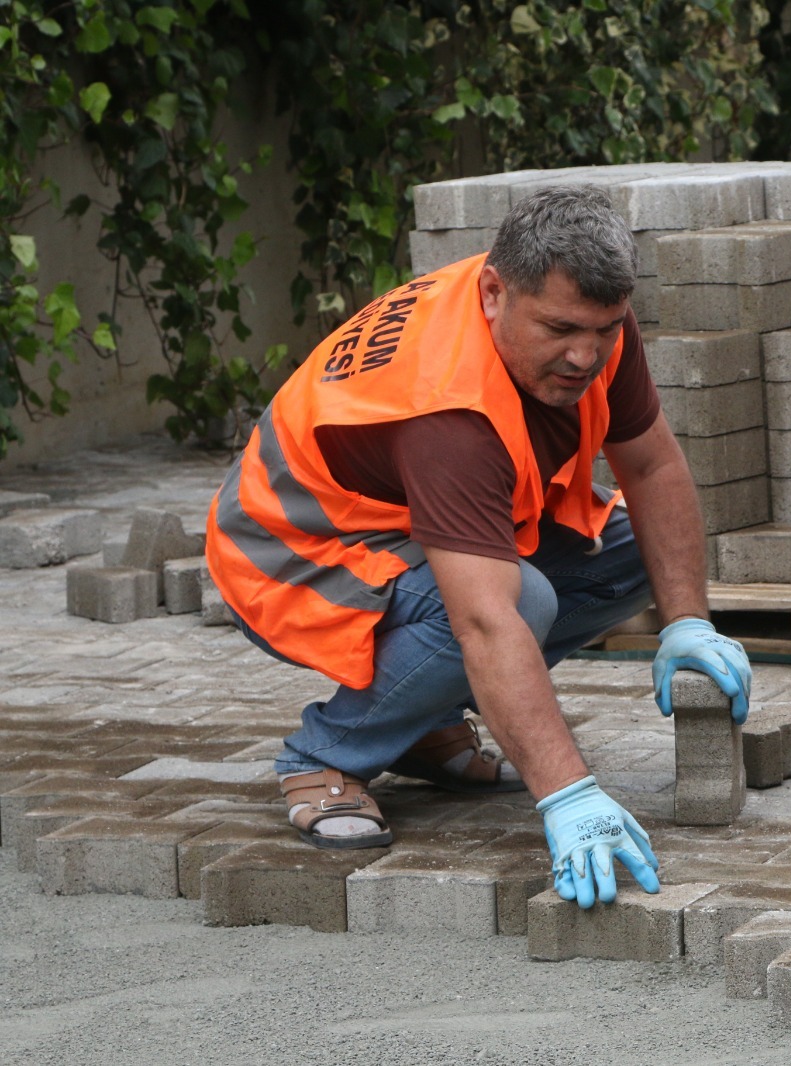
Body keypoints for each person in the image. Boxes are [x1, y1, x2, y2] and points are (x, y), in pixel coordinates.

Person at [206, 185, 751, 909]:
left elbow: (651, 466)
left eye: (606, 330)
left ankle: (421, 725)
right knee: (518, 603)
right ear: (494, 292)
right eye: (562, 330)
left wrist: (687, 621)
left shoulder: (585, 323)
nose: (586, 356)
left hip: (409, 520)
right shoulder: (448, 415)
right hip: (294, 550)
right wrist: (567, 792)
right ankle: (325, 757)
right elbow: (487, 621)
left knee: (624, 553)